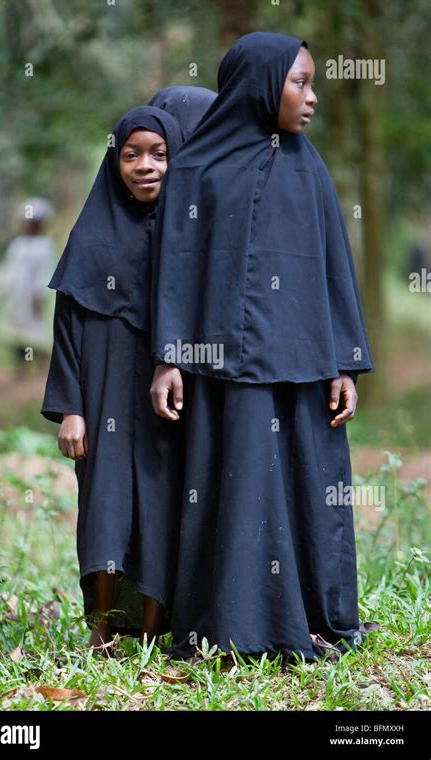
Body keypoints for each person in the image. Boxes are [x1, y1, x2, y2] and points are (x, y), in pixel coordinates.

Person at [150, 33, 380, 664]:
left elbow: (336, 268)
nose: (312, 98)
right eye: (299, 82)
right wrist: (169, 357)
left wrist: (345, 363)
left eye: (313, 83)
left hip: (305, 363)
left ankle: (314, 619)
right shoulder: (196, 170)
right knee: (240, 485)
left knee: (309, 485)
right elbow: (177, 267)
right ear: (259, 83)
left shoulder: (312, 169)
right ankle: (236, 624)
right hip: (225, 366)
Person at [40, 88, 216, 657]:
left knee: (162, 509)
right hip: (101, 390)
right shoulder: (90, 234)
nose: (146, 166)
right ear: (114, 161)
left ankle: (148, 632)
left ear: (178, 158)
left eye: (160, 154)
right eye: (131, 154)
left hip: (167, 400)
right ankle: (100, 629)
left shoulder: (189, 236)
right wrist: (70, 408)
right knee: (105, 506)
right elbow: (66, 327)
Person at [0, 198, 55, 369]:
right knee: (17, 333)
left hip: (32, 300)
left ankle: (42, 367)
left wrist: (39, 297)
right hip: (17, 299)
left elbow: (43, 275)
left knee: (35, 333)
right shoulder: (17, 244)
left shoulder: (45, 247)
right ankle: (21, 367)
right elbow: (7, 270)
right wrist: (0, 292)